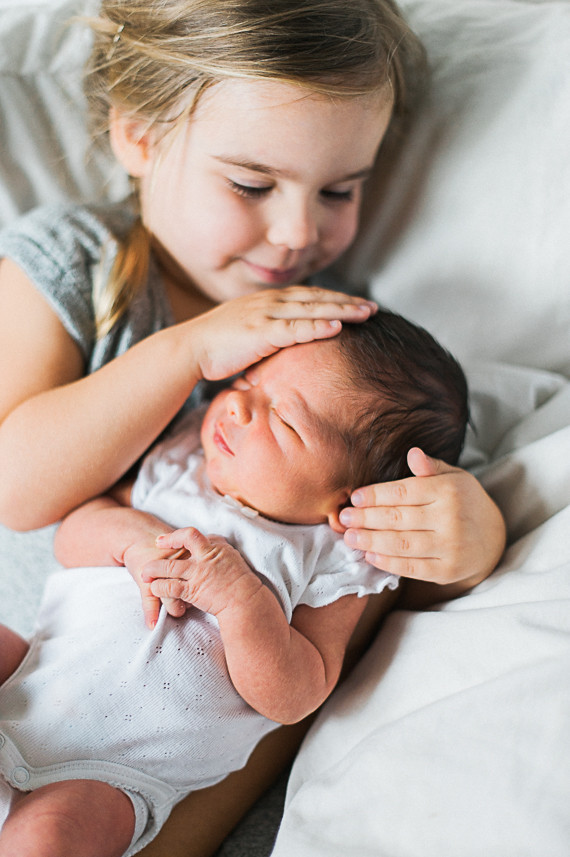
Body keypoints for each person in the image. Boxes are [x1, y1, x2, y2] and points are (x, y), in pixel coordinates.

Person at [0, 311, 471, 857]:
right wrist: (134, 544)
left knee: (47, 841)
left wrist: (242, 600)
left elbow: (297, 694)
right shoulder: (181, 463)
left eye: (284, 420)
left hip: (114, 771)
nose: (238, 404)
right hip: (29, 675)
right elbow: (74, 533)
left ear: (347, 500)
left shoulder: (339, 556)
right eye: (247, 381)